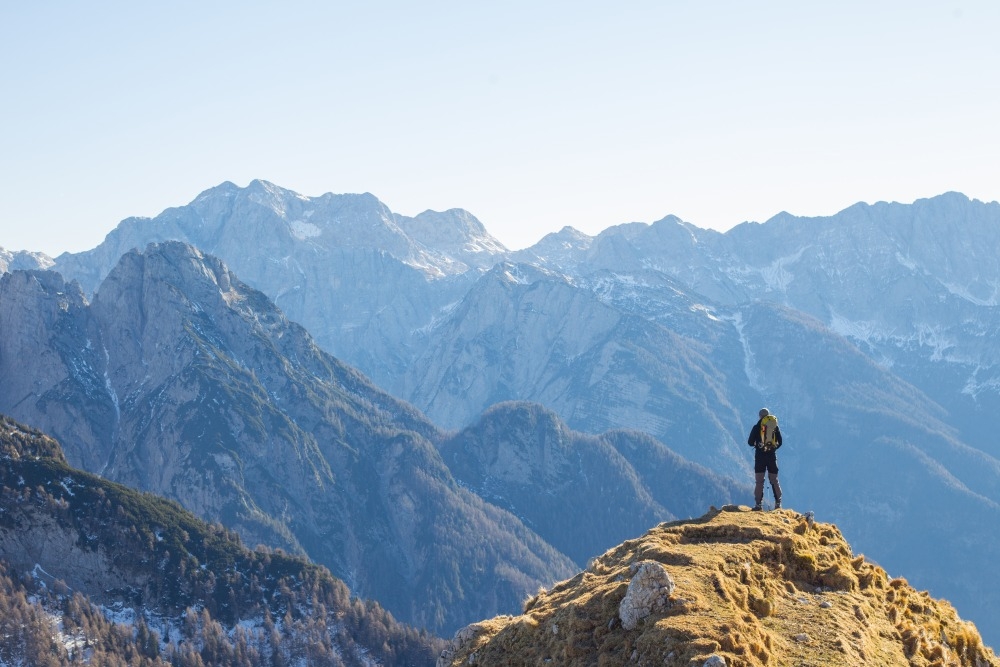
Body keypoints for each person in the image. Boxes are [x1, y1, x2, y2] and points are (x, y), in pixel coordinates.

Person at [747, 408, 782, 510]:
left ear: (759, 416)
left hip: (760, 458)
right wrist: (773, 448)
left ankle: (758, 505)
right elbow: (780, 442)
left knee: (759, 481)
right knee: (774, 480)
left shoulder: (756, 427)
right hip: (772, 457)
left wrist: (758, 445)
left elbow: (749, 442)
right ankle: (778, 503)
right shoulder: (775, 427)